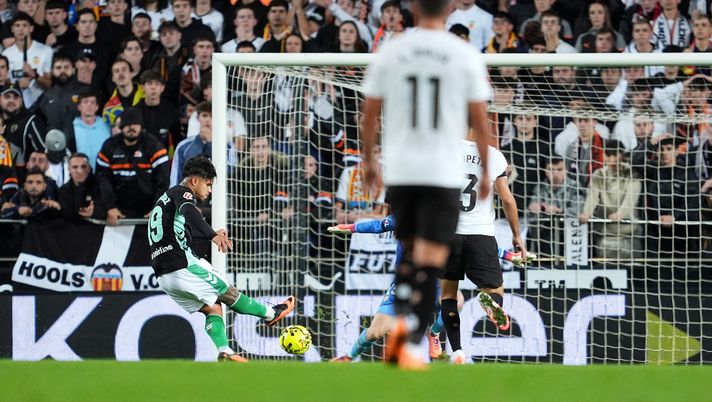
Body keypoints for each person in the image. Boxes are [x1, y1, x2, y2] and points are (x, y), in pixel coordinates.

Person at [360, 0, 493, 370]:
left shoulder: (394, 50)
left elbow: (370, 110)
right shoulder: (463, 55)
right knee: (431, 260)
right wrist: (483, 171)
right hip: (441, 171)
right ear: (450, 10)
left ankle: (403, 341)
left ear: (414, 9)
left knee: (407, 254)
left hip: (402, 170)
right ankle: (411, 342)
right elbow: (480, 121)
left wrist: (368, 159)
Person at [327, 215, 534, 363]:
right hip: (405, 284)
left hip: (433, 282)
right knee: (374, 334)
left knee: (457, 301)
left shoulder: (443, 223)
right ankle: (350, 356)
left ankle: (433, 334)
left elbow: (483, 246)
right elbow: (378, 226)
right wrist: (348, 228)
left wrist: (510, 256)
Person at [149, 155, 295, 361]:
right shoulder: (183, 193)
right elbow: (190, 212)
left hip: (164, 276)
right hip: (181, 264)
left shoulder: (166, 198)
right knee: (227, 291)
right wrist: (212, 235)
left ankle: (224, 350)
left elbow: (181, 228)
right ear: (194, 181)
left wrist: (209, 231)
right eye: (208, 185)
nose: (209, 191)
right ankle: (271, 314)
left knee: (213, 308)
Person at [439, 133, 526, 364]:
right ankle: (492, 302)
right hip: (481, 234)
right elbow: (507, 199)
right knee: (495, 288)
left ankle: (457, 351)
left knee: (448, 294)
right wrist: (517, 235)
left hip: (448, 233)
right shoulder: (493, 156)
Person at [96, 108, 169, 224]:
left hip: (149, 209)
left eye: (135, 124)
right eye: (127, 124)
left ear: (141, 126)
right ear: (121, 127)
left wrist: (158, 207)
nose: (131, 128)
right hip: (118, 209)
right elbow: (103, 179)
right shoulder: (109, 146)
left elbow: (163, 181)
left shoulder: (154, 146)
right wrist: (110, 207)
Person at [2, 12, 53, 108]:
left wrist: (35, 75)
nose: (21, 29)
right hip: (16, 105)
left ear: (31, 28)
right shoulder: (6, 55)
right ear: (12, 29)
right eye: (17, 25)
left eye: (25, 25)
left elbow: (49, 85)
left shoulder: (45, 51)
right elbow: (5, 85)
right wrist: (17, 85)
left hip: (41, 104)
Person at [58, 152, 106, 220]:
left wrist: (94, 212)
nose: (80, 171)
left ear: (89, 169)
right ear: (69, 170)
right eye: (75, 167)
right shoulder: (63, 191)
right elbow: (66, 215)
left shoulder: (100, 187)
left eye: (83, 167)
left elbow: (107, 210)